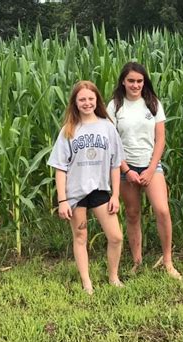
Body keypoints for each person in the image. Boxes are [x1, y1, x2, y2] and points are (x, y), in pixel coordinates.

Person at [47, 80, 124, 294]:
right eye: (82, 99)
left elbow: (115, 164)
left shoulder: (107, 127)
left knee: (116, 236)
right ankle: (86, 282)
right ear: (75, 102)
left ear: (97, 100)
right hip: (75, 193)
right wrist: (62, 200)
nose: (87, 103)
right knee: (80, 237)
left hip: (100, 190)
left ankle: (113, 277)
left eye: (91, 99)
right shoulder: (68, 130)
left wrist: (116, 195)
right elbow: (60, 168)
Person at [106, 62, 181, 280]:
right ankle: (137, 261)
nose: (135, 85)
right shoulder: (114, 106)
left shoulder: (153, 104)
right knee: (132, 214)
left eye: (139, 81)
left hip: (150, 166)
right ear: (123, 81)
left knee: (162, 210)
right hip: (124, 167)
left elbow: (161, 139)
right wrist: (126, 170)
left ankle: (167, 260)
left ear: (144, 81)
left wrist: (150, 169)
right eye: (131, 81)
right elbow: (112, 141)